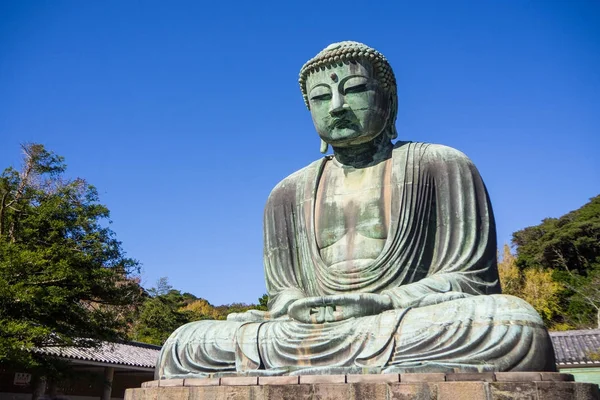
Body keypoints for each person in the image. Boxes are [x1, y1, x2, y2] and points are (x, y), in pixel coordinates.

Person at [155, 41, 556, 378]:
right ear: (308, 109)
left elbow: (471, 281)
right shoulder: (286, 193)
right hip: (307, 333)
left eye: (355, 90)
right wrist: (295, 307)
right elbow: (283, 294)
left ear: (389, 98)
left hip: (403, 320)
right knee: (184, 344)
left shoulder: (441, 164)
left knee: (512, 325)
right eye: (321, 98)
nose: (338, 106)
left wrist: (384, 302)